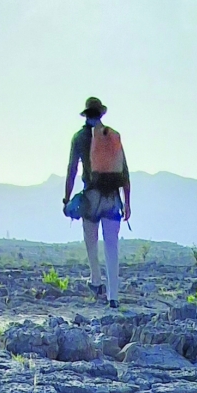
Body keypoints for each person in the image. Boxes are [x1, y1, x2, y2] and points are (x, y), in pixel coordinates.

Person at [64, 96, 131, 308]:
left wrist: (67, 197)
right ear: (101, 114)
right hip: (112, 197)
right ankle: (114, 297)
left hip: (91, 196)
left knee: (90, 241)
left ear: (86, 115)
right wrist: (127, 202)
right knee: (112, 246)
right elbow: (125, 171)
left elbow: (72, 170)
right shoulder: (111, 137)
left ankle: (95, 279)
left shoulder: (80, 137)